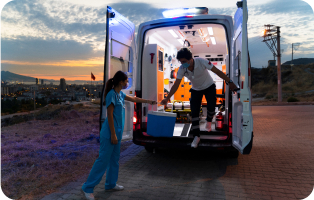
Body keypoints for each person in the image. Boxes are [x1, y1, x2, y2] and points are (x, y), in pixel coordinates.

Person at [82, 70, 157, 200]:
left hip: (117, 133)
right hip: (109, 134)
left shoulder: (119, 94)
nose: (127, 83)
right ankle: (87, 188)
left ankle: (110, 184)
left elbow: (133, 98)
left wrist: (148, 101)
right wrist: (113, 135)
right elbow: (109, 115)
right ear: (121, 82)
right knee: (103, 161)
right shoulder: (111, 95)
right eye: (126, 81)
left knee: (114, 160)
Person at [161, 48, 237, 148]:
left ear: (190, 59)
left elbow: (217, 71)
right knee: (194, 113)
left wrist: (230, 82)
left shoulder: (201, 62)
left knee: (211, 106)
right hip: (196, 89)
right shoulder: (182, 69)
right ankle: (196, 136)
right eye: (180, 61)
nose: (182, 63)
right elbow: (176, 85)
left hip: (209, 86)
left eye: (184, 61)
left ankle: (209, 121)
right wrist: (167, 98)